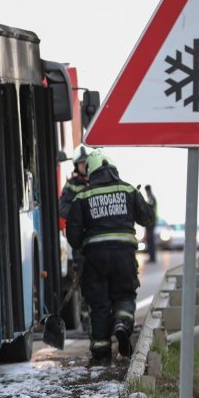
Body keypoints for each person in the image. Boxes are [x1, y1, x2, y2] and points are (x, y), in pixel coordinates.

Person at [66, 149, 155, 365]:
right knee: (124, 294)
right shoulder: (128, 190)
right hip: (124, 256)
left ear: (91, 171)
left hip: (95, 258)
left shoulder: (82, 196)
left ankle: (101, 354)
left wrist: (83, 248)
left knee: (99, 304)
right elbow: (147, 219)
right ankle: (122, 325)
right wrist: (146, 201)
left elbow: (73, 235)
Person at [59, 145, 91, 332]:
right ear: (76, 166)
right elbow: (62, 208)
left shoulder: (96, 182)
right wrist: (79, 213)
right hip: (81, 241)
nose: (84, 166)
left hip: (97, 239)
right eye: (81, 164)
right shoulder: (72, 185)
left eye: (86, 164)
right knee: (85, 281)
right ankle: (87, 322)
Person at [144, 185, 158, 262]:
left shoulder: (151, 198)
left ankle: (152, 258)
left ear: (148, 190)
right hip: (150, 221)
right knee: (149, 240)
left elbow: (149, 208)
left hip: (151, 222)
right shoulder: (150, 198)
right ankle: (151, 257)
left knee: (150, 240)